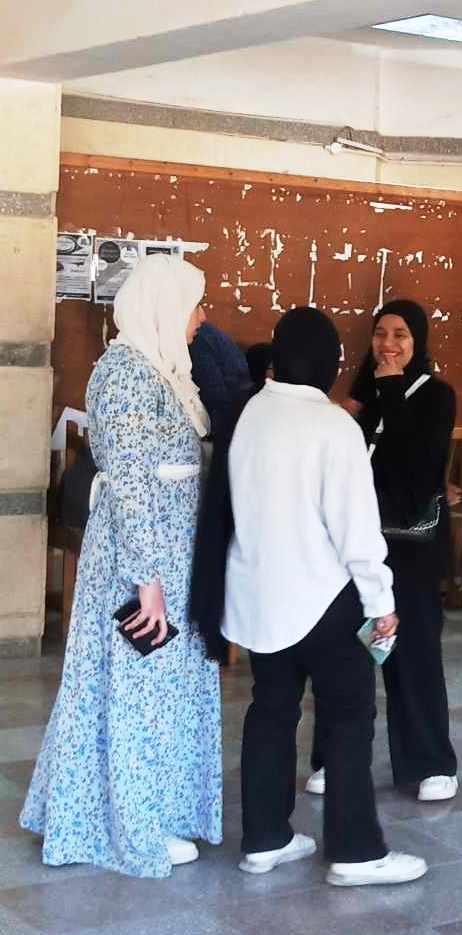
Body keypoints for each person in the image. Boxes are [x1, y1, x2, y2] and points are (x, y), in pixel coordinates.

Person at [21, 254, 222, 878]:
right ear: (163, 306)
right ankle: (136, 826)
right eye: (195, 304)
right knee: (140, 687)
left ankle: (150, 809)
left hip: (165, 556)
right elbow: (133, 485)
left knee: (154, 687)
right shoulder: (128, 374)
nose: (202, 317)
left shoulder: (159, 369)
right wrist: (148, 581)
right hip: (143, 562)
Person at [222, 307, 425, 888]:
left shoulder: (249, 413)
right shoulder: (334, 426)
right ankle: (356, 852)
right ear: (331, 361)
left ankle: (265, 839)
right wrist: (381, 602)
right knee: (348, 717)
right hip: (325, 599)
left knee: (270, 711)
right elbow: (356, 531)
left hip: (261, 597)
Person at [304, 300, 459, 804]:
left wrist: (391, 392)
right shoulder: (360, 395)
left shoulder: (436, 395)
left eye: (400, 335)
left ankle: (431, 763)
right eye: (380, 334)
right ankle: (335, 759)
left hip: (409, 547)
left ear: (418, 342)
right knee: (346, 655)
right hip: (356, 543)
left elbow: (418, 468)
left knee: (413, 655)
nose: (388, 344)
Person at [189, 320, 252, 434]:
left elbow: (216, 398)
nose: (202, 317)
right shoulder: (202, 334)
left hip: (229, 419)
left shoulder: (197, 338)